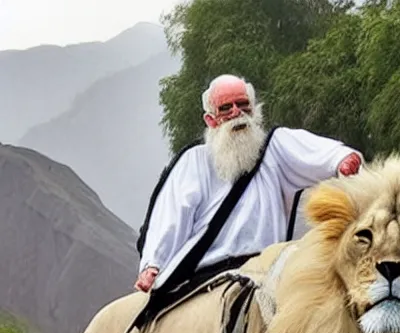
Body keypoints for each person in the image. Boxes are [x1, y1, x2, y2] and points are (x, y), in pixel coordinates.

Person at [135, 74, 363, 294]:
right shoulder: (194, 161)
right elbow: (172, 215)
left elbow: (319, 152)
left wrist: (342, 160)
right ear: (210, 119)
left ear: (254, 109)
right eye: (226, 108)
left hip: (269, 271)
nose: (237, 114)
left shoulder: (275, 148)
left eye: (243, 105)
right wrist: (154, 264)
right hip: (207, 276)